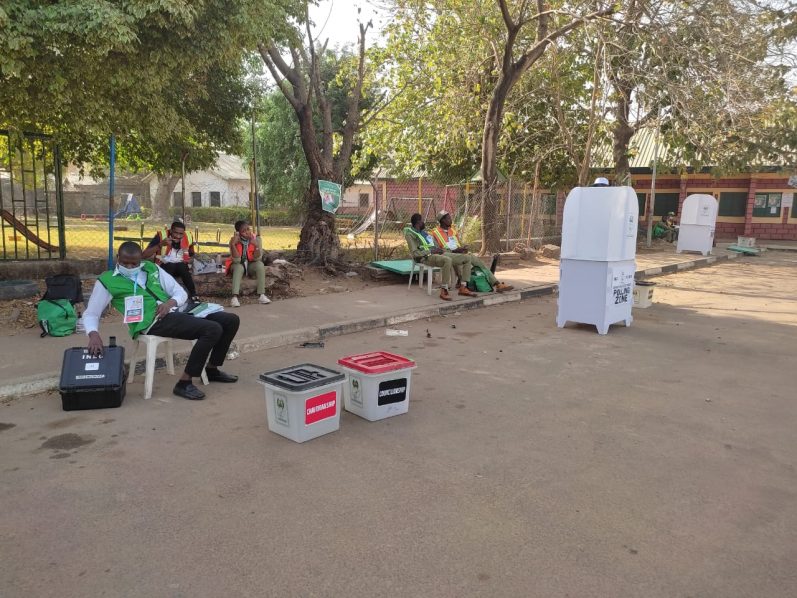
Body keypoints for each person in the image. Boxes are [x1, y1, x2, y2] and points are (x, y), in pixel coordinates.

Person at [83, 242, 240, 400]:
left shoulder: (152, 268)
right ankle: (184, 382)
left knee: (230, 320)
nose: (130, 267)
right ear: (118, 258)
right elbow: (91, 314)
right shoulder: (107, 281)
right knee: (212, 329)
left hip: (176, 310)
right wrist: (93, 335)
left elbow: (179, 292)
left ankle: (212, 369)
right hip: (152, 322)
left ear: (141, 259)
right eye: (125, 263)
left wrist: (170, 303)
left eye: (134, 264)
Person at [430, 211, 514, 293]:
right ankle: (463, 284)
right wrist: (453, 251)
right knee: (464, 263)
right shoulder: (434, 233)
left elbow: (458, 244)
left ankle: (497, 284)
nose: (451, 220)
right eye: (448, 218)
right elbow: (437, 250)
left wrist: (462, 248)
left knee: (480, 264)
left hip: (459, 253)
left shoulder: (452, 231)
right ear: (443, 220)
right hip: (449, 255)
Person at [142, 221, 199, 302]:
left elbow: (191, 254)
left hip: (181, 267)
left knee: (181, 266)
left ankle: (193, 294)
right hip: (163, 266)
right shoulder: (161, 236)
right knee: (170, 265)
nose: (178, 236)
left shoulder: (188, 236)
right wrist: (160, 244)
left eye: (181, 234)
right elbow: (144, 255)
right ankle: (164, 296)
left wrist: (188, 259)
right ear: (171, 231)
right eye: (176, 233)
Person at [227, 220, 270, 307]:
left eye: (248, 229)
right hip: (237, 265)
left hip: (250, 264)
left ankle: (261, 295)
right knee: (239, 267)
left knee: (260, 265)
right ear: (238, 233)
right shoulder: (233, 240)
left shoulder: (256, 239)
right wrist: (233, 245)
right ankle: (234, 297)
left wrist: (256, 246)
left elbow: (257, 258)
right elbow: (237, 260)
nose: (247, 232)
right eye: (244, 231)